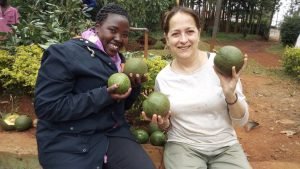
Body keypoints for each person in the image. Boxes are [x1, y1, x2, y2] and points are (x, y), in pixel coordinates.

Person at [34, 3, 155, 169]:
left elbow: (122, 106)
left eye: (125, 34)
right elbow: (47, 107)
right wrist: (104, 95)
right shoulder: (64, 54)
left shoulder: (119, 62)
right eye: (112, 30)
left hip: (111, 133)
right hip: (68, 139)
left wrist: (134, 87)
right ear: (97, 27)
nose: (119, 38)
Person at [143, 6, 252, 169]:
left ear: (199, 32)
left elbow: (241, 121)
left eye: (189, 31)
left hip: (225, 146)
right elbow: (167, 125)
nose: (183, 39)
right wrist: (163, 124)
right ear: (166, 38)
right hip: (182, 146)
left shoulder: (221, 65)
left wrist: (231, 95)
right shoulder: (164, 78)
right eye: (175, 33)